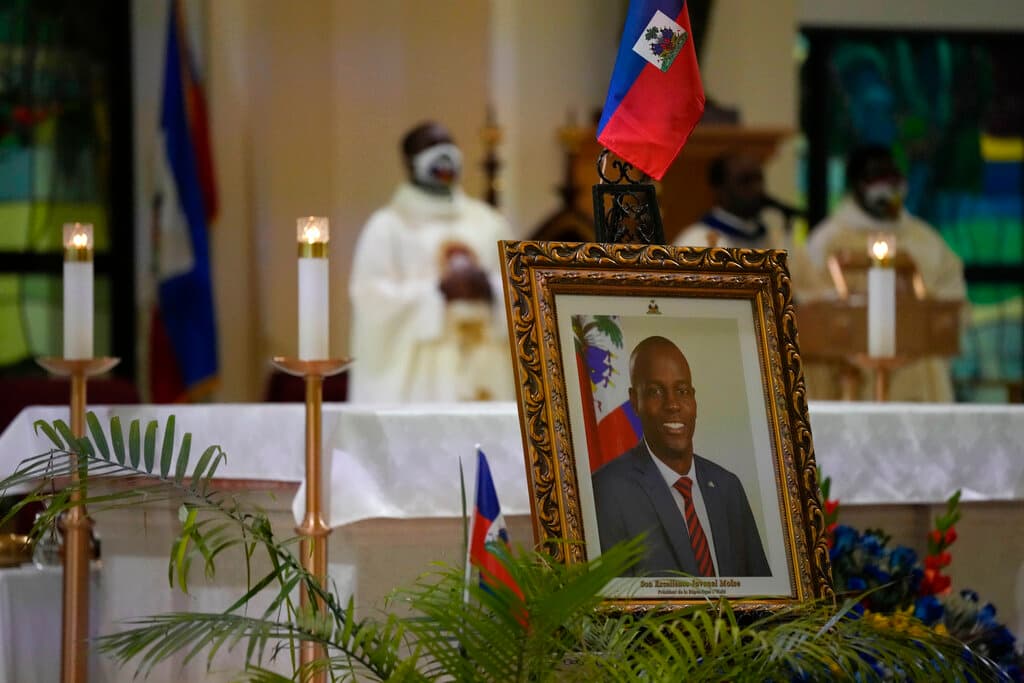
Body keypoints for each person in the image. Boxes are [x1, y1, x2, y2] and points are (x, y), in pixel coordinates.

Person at [347, 121, 514, 403]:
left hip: (489, 370)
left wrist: (490, 288)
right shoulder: (387, 226)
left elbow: (522, 285)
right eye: (431, 147)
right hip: (422, 381)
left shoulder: (489, 223)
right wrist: (438, 291)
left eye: (448, 144)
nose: (443, 154)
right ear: (409, 162)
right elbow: (371, 298)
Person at [591, 336, 770, 577]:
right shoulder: (607, 491)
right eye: (655, 391)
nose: (673, 404)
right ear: (635, 401)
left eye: (682, 391)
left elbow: (764, 596)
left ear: (694, 399)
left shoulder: (728, 487)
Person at [803, 145, 967, 402]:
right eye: (878, 176)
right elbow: (813, 305)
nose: (890, 184)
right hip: (854, 372)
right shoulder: (828, 241)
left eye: (894, 175)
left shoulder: (924, 238)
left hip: (919, 369)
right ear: (857, 184)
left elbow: (952, 300)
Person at [673, 152, 798, 249]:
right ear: (720, 189)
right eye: (745, 181)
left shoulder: (776, 242)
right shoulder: (695, 242)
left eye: (759, 179)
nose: (757, 189)